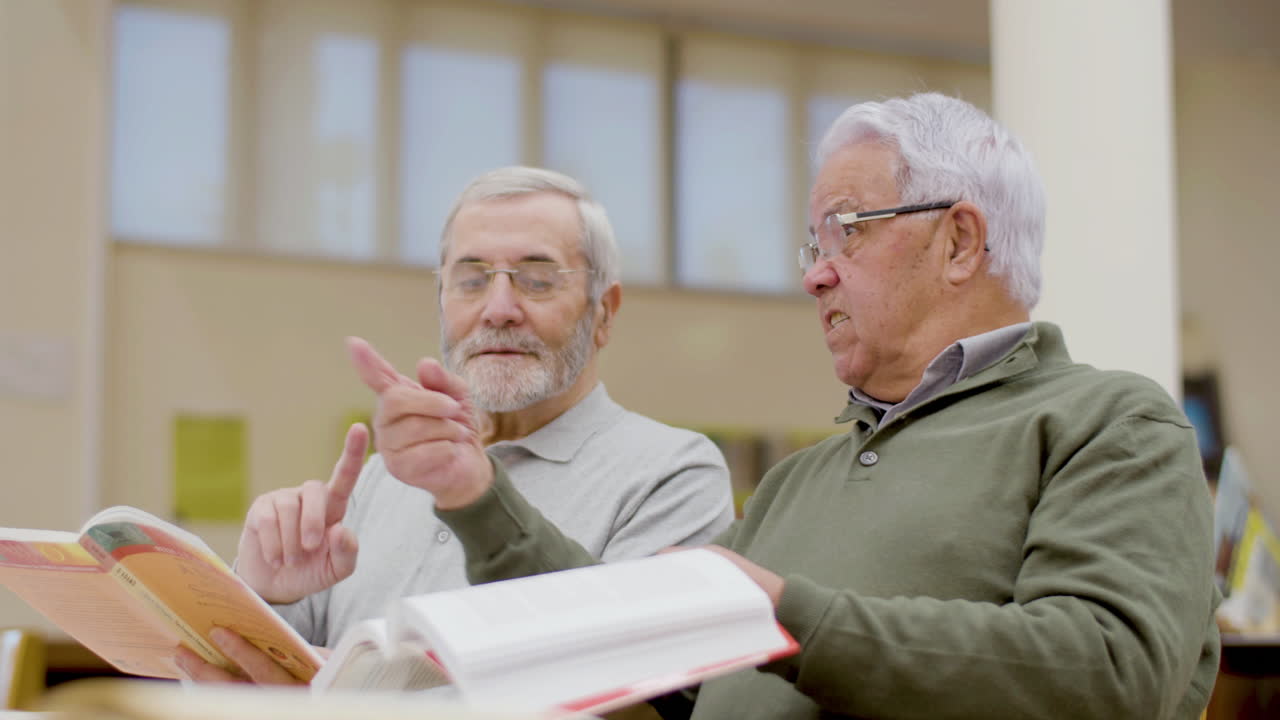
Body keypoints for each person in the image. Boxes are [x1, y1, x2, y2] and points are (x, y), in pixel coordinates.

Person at [202, 94, 1221, 720]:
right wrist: (475, 497)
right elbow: (649, 673)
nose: (814, 276)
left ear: (959, 241)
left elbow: (1108, 673)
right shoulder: (801, 480)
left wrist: (780, 610)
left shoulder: (1104, 424)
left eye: (844, 232)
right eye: (809, 244)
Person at [175, 167, 733, 680]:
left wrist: (343, 704)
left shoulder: (674, 475)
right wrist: (261, 597)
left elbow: (625, 690)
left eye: (537, 280)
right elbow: (242, 691)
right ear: (442, 300)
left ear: (603, 311)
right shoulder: (383, 481)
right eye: (470, 280)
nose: (498, 308)